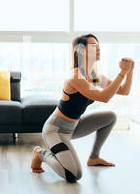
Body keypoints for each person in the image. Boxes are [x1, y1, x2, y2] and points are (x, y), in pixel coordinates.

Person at [31, 34, 134, 182]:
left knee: (110, 117)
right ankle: (40, 153)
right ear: (81, 51)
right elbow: (104, 97)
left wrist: (129, 72)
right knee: (73, 175)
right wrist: (122, 73)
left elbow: (124, 91)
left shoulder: (94, 74)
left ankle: (94, 157)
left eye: (98, 45)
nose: (98, 48)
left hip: (75, 126)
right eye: (93, 45)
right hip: (56, 130)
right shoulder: (75, 76)